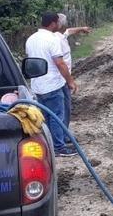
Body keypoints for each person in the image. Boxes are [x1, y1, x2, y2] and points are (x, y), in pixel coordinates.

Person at [26, 13, 78, 157]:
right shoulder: (52, 39)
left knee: (46, 117)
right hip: (52, 84)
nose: (60, 24)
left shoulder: (31, 39)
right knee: (57, 117)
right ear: (53, 23)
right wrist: (70, 81)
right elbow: (60, 63)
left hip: (38, 85)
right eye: (58, 22)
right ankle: (59, 147)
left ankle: (50, 143)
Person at [55, 13, 90, 129]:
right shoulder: (56, 40)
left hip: (62, 77)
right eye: (65, 24)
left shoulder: (61, 35)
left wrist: (81, 29)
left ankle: (62, 133)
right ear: (60, 25)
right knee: (64, 108)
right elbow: (60, 63)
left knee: (64, 107)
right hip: (61, 79)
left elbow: (69, 31)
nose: (66, 26)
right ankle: (63, 135)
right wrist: (70, 81)